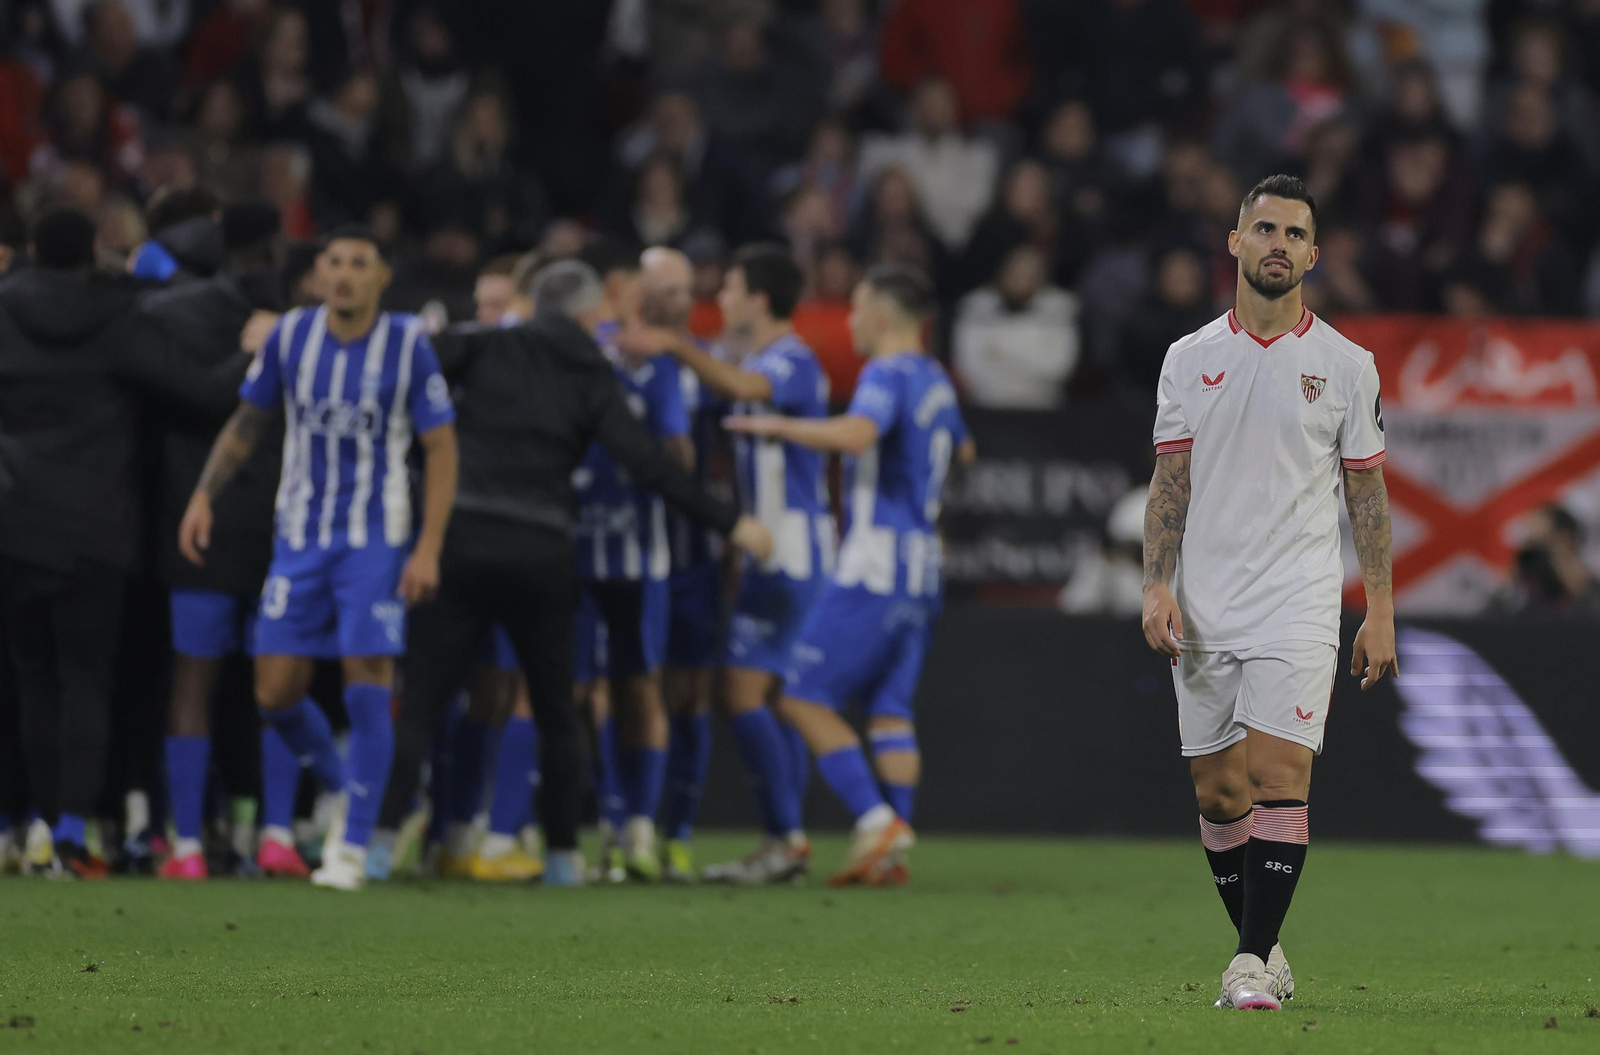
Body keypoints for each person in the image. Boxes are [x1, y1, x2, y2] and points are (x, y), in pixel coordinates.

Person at [377, 260, 772, 887]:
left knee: (424, 701)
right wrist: (730, 523)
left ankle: (378, 843)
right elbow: (648, 463)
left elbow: (401, 371)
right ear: (590, 314)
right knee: (557, 709)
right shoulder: (589, 373)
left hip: (464, 538)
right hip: (541, 549)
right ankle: (562, 855)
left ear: (535, 304)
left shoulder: (483, 347)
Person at [1140, 175, 1397, 1010]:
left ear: (1314, 255)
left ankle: (1248, 963)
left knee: (1278, 772)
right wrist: (1156, 584)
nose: (1278, 243)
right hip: (1206, 601)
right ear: (1236, 241)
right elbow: (1169, 482)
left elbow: (1367, 494)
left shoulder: (1347, 366)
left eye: (1294, 233)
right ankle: (1268, 947)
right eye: (1265, 229)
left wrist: (1380, 609)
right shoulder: (1188, 358)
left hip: (1299, 598)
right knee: (1219, 794)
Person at [178, 225, 460, 892]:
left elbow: (441, 448)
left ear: (381, 277)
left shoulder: (406, 344)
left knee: (367, 676)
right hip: (299, 537)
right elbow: (248, 422)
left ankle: (354, 846)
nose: (344, 274)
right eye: (334, 261)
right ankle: (343, 785)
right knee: (274, 691)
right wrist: (204, 494)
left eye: (359, 263)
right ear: (317, 275)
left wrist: (428, 547)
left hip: (375, 537)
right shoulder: (291, 336)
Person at [0, 208, 249, 878]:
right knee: (86, 680)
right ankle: (70, 834)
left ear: (31, 249)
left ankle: (33, 826)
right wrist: (255, 349)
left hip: (13, 525)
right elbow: (204, 392)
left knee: (31, 682)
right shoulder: (117, 319)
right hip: (95, 530)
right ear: (93, 252)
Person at [723, 264, 971, 887]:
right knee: (889, 709)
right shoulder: (937, 378)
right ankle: (890, 853)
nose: (851, 322)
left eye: (857, 310)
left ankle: (875, 821)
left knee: (801, 694)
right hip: (923, 567)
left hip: (874, 565)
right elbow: (963, 450)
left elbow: (859, 435)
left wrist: (783, 426)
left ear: (881, 317)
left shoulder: (885, 372)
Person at [145, 199, 345, 881]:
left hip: (211, 523)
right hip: (271, 526)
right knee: (272, 681)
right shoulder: (306, 330)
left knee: (202, 681)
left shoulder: (175, 314)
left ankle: (191, 846)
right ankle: (272, 834)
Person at [623, 244, 833, 883]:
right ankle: (784, 840)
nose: (723, 299)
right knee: (771, 696)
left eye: (733, 288)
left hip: (791, 547)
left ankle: (785, 839)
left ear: (760, 299)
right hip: (769, 547)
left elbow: (741, 388)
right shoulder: (756, 359)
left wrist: (672, 343)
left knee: (739, 690)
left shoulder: (792, 360)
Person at [636, 247, 725, 881]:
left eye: (686, 290)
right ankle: (629, 827)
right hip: (634, 546)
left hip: (693, 551)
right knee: (630, 689)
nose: (682, 302)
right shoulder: (618, 358)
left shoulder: (707, 366)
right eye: (669, 290)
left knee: (690, 692)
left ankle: (681, 834)